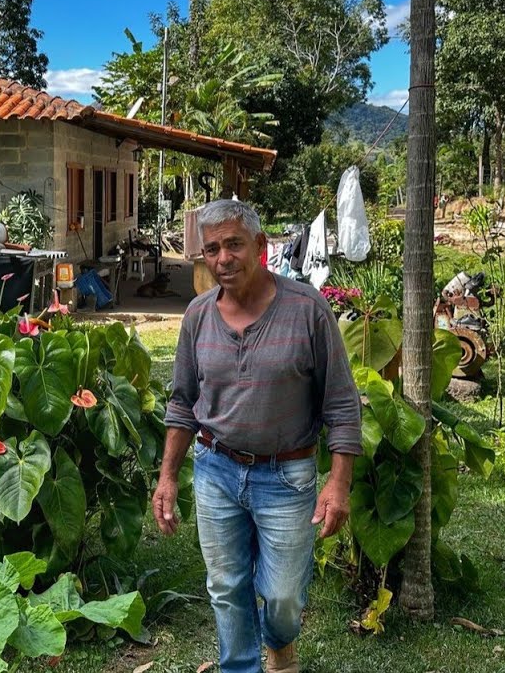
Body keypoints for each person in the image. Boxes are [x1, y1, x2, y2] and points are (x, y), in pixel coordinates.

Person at [151, 199, 362, 673]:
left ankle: (280, 643)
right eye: (211, 249)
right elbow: (182, 403)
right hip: (215, 470)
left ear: (261, 246)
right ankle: (240, 666)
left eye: (233, 245)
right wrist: (167, 477)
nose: (223, 259)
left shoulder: (307, 310)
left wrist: (339, 482)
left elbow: (342, 404)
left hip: (286, 475)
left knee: (283, 596)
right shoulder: (198, 316)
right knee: (226, 587)